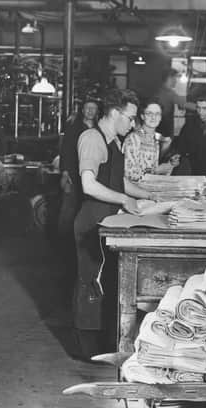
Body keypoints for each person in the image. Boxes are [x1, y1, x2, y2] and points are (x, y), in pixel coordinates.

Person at [73, 88, 151, 359]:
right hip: (92, 219)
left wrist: (150, 194)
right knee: (90, 283)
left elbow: (119, 181)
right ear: (115, 113)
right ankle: (88, 351)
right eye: (130, 118)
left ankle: (104, 344)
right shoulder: (92, 139)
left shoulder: (114, 141)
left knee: (106, 280)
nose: (132, 124)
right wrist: (124, 199)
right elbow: (88, 184)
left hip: (108, 218)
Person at [57, 98, 99, 297]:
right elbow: (65, 151)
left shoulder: (98, 128)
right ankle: (64, 246)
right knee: (69, 209)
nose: (90, 111)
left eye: (94, 109)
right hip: (74, 174)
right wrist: (65, 173)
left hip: (89, 175)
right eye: (88, 108)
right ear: (83, 109)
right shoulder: (75, 127)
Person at [123, 99, 179, 183]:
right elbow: (129, 175)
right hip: (134, 192)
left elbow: (156, 175)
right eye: (149, 113)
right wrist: (156, 170)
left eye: (157, 114)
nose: (154, 117)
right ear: (142, 116)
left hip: (150, 189)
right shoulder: (133, 139)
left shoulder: (156, 139)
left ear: (161, 117)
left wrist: (170, 164)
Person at [154, 68, 189, 140]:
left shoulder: (160, 90)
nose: (176, 81)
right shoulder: (168, 93)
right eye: (175, 78)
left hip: (158, 129)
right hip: (164, 131)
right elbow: (183, 104)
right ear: (169, 78)